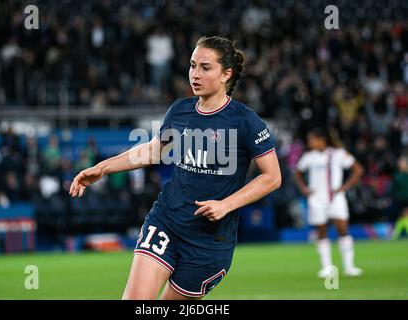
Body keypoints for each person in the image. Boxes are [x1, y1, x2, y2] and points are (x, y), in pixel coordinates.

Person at [69, 36, 281, 300]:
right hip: (167, 221)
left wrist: (226, 204)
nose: (195, 74)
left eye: (205, 67)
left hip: (209, 241)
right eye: (192, 66)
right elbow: (154, 151)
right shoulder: (180, 110)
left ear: (226, 74)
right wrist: (102, 168)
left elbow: (272, 177)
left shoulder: (246, 121)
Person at [294, 128, 364, 278]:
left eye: (311, 139)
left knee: (343, 230)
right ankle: (326, 268)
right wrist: (304, 189)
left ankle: (349, 267)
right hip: (317, 199)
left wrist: (345, 187)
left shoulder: (338, 154)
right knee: (321, 233)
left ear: (321, 139)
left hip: (335, 197)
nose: (309, 142)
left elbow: (358, 169)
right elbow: (297, 173)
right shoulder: (309, 157)